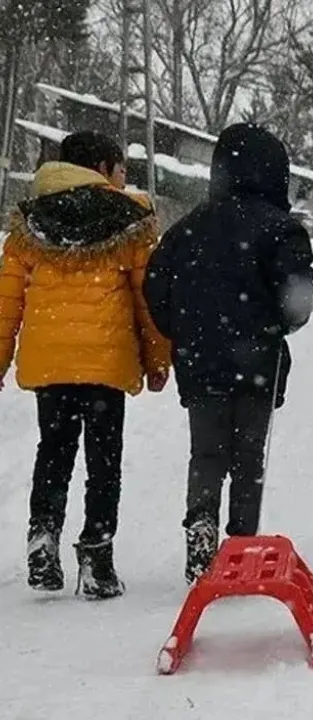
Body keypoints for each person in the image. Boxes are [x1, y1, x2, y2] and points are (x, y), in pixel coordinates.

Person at [0, 130, 171, 599]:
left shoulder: (29, 224)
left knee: (53, 452)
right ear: (101, 167)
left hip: (50, 362)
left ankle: (43, 536)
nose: (124, 178)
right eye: (120, 169)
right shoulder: (130, 219)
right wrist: (158, 359)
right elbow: (147, 298)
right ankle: (97, 559)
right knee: (103, 461)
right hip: (105, 363)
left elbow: (6, 302)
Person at [143, 123, 313, 584]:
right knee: (247, 458)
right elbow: (297, 304)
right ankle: (240, 544)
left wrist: (182, 330)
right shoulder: (280, 229)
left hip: (200, 362)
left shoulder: (186, 229)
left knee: (206, 453)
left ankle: (200, 527)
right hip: (258, 361)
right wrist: (280, 323)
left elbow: (156, 291)